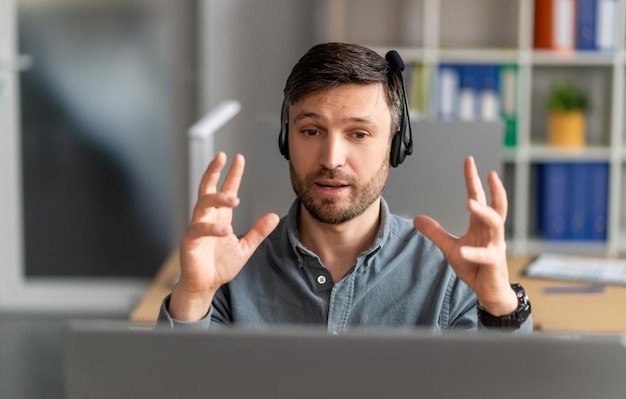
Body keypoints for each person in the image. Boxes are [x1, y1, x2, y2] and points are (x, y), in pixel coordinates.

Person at [158, 42, 532, 333]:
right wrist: (192, 296)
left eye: (359, 134)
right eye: (310, 131)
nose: (331, 158)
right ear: (286, 140)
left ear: (395, 146)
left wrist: (499, 305)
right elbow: (177, 395)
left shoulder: (448, 275)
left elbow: (500, 397)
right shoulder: (230, 272)